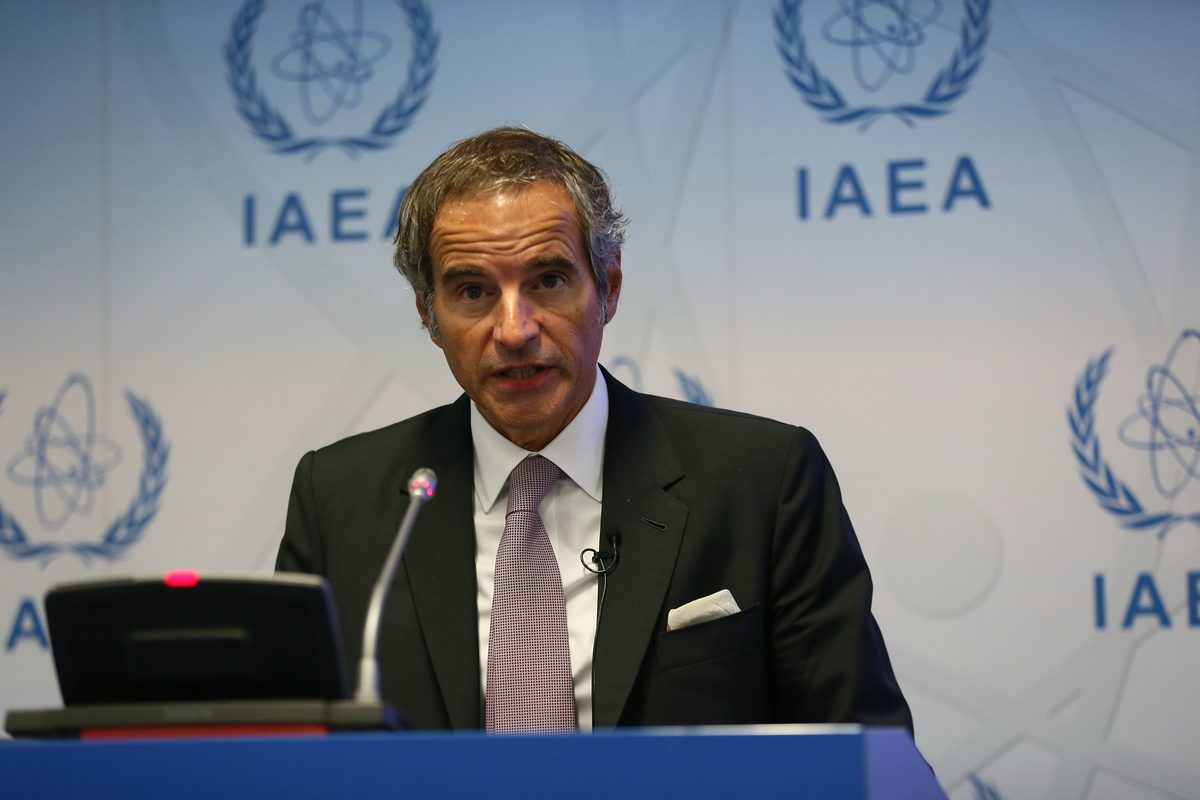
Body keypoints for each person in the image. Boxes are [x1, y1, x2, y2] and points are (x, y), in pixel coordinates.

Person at [277, 127, 913, 733]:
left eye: (548, 281)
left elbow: (862, 748)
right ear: (428, 314)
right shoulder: (340, 500)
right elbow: (281, 757)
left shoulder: (763, 481)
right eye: (472, 292)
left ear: (608, 287)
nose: (515, 329)